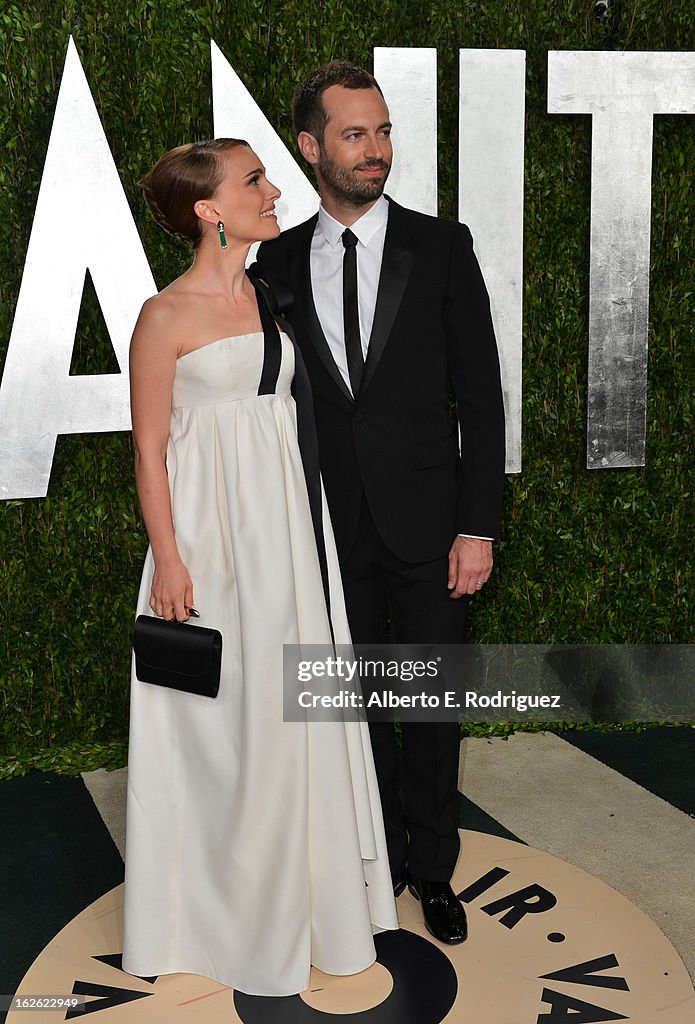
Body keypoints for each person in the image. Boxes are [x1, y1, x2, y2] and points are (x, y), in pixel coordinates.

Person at [122, 138, 397, 997]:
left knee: (292, 720)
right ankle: (215, 918)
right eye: (253, 182)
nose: (275, 189)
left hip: (287, 542)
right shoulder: (162, 317)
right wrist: (170, 560)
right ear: (208, 209)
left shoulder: (272, 294)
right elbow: (149, 450)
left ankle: (311, 905)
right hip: (208, 547)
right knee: (219, 734)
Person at [258, 62, 506, 945]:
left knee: (430, 708)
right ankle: (369, 868)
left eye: (385, 131)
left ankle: (432, 870)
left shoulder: (442, 246)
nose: (377, 151)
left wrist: (475, 524)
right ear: (310, 146)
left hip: (431, 528)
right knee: (348, 708)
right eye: (356, 134)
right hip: (325, 530)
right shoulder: (275, 262)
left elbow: (480, 397)